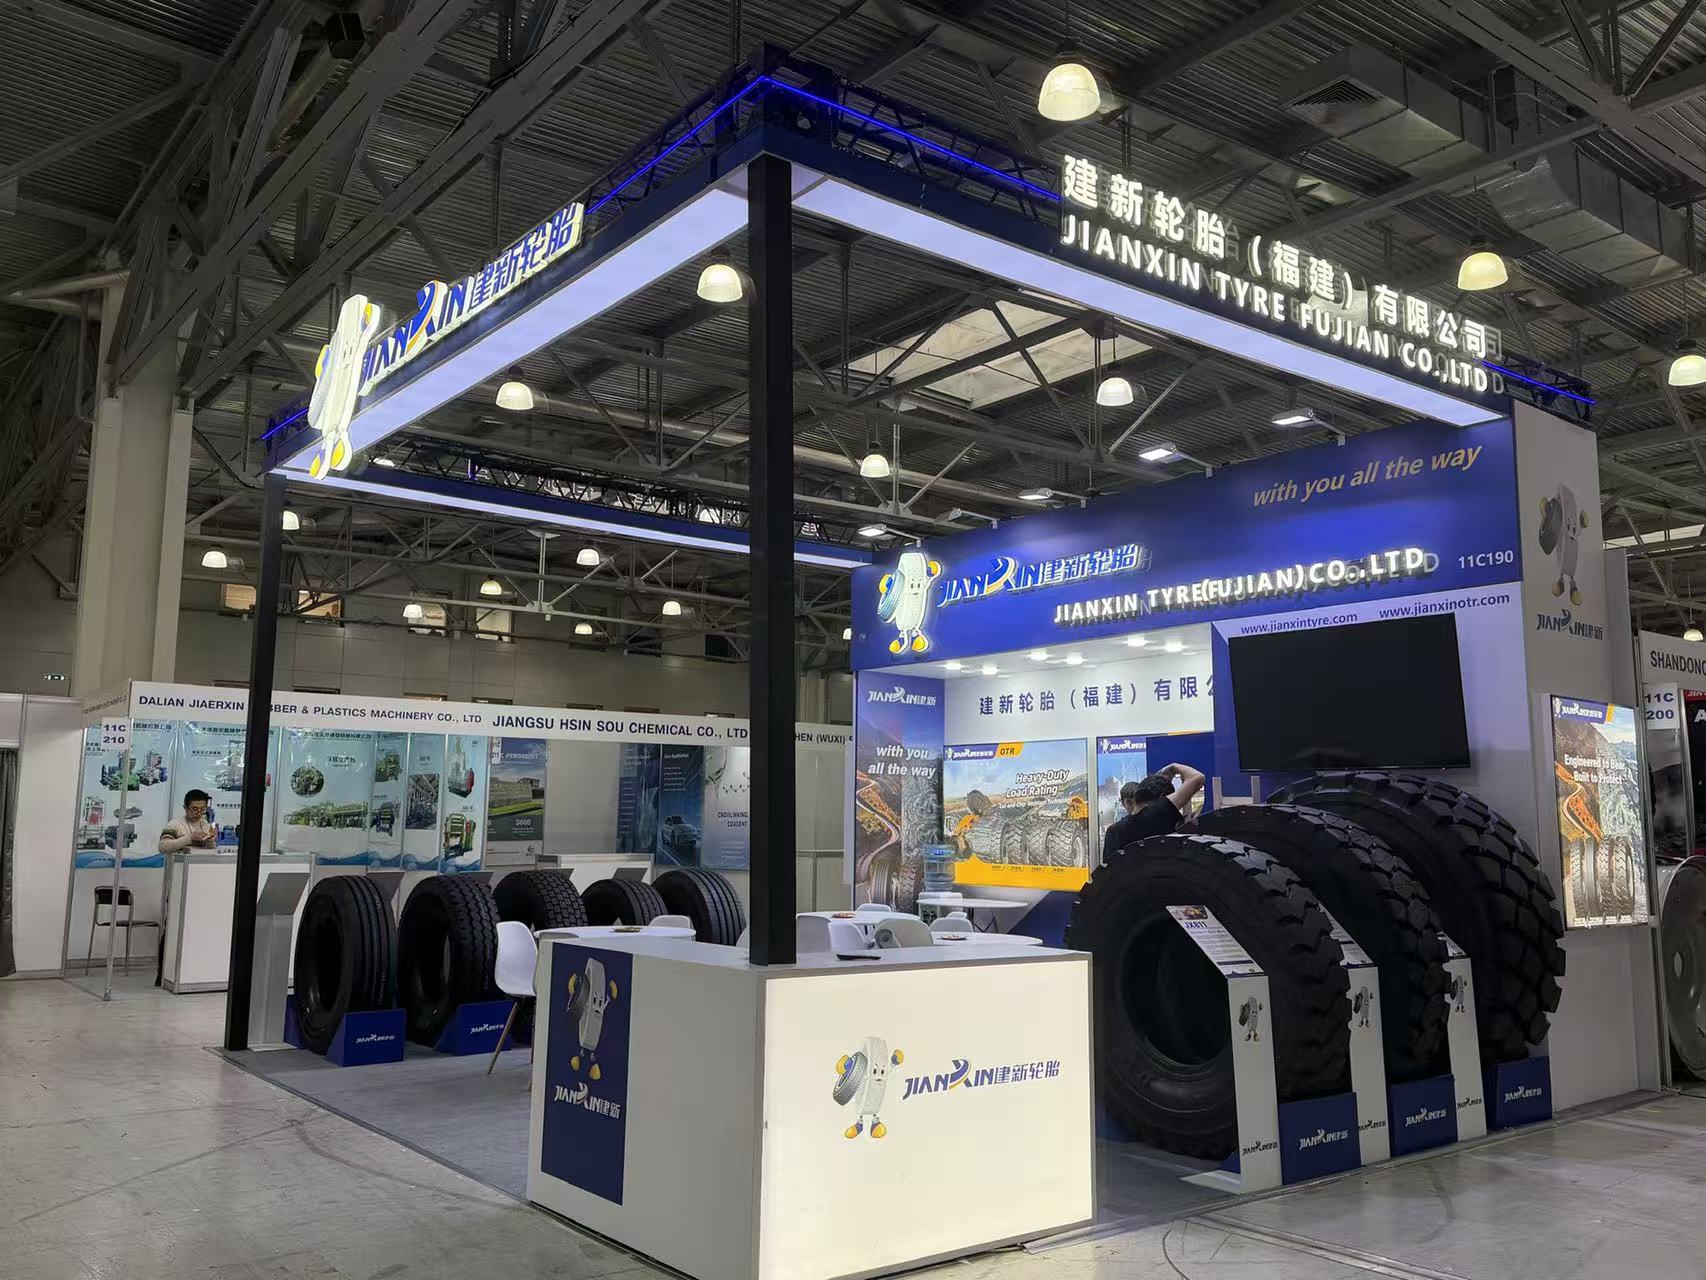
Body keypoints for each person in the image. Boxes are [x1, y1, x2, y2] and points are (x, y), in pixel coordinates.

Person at [1101, 763, 1207, 859]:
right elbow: (1197, 777)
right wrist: (1174, 767)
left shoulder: (1114, 830)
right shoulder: (1160, 811)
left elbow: (1108, 868)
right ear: (1162, 797)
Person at [158, 789, 217, 855]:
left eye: (203, 809)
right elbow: (162, 847)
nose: (199, 813)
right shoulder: (175, 824)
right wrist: (189, 838)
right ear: (185, 808)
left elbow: (212, 851)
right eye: (195, 809)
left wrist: (210, 841)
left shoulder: (206, 826)